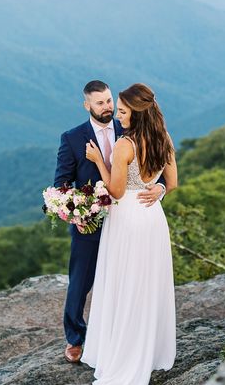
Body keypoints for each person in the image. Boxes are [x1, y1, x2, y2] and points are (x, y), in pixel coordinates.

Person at [54, 80, 167, 363]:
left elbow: (154, 165)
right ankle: (76, 338)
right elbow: (62, 183)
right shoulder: (72, 138)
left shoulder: (129, 127)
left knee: (124, 281)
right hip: (90, 223)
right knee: (80, 281)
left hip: (127, 221)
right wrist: (76, 213)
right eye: (100, 103)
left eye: (109, 102)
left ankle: (119, 337)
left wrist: (161, 188)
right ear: (87, 105)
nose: (108, 108)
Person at [80, 82, 177, 385]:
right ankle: (149, 351)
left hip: (128, 219)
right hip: (152, 218)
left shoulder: (126, 145)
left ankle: (124, 354)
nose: (118, 116)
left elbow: (117, 190)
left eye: (122, 111)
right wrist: (159, 188)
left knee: (125, 284)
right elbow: (172, 182)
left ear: (136, 113)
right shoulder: (164, 137)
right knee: (146, 285)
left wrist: (98, 161)